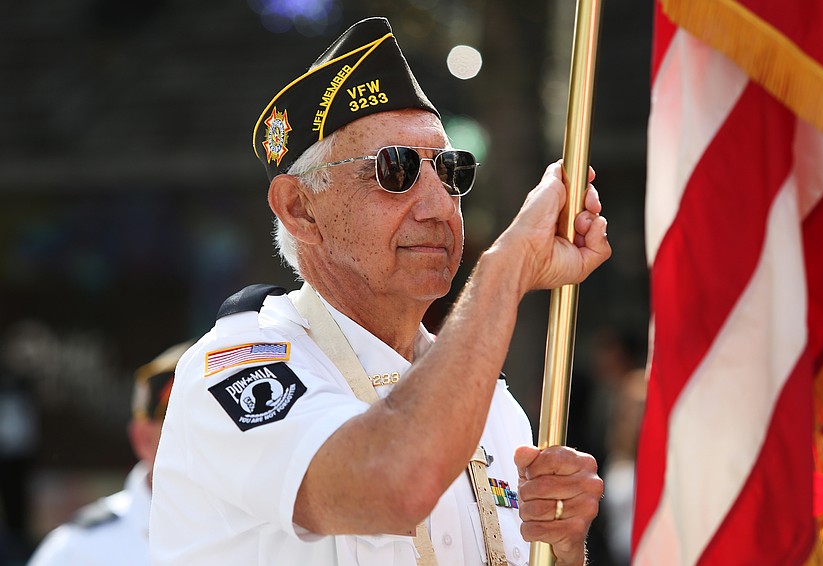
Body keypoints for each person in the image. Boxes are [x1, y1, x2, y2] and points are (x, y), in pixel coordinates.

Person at [150, 16, 611, 566]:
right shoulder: (234, 366)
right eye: (395, 170)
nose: (440, 206)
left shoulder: (489, 402)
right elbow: (395, 483)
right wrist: (504, 269)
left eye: (450, 171)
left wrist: (562, 551)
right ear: (300, 209)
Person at [28, 341, 191, 566]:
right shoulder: (78, 551)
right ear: (143, 439)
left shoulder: (255, 527)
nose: (214, 437)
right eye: (187, 423)